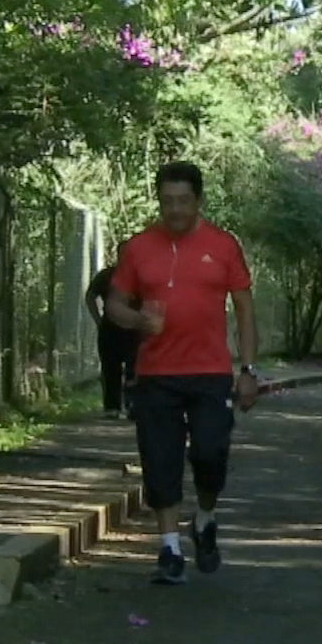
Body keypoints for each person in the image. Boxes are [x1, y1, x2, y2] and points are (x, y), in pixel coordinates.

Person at [102, 161, 262, 585]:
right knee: (160, 462)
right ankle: (169, 548)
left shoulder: (223, 245)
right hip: (156, 374)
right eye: (167, 201)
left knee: (210, 456)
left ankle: (204, 520)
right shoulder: (138, 248)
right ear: (159, 200)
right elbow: (114, 304)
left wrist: (248, 370)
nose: (175, 210)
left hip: (210, 373)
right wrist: (136, 321)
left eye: (183, 201)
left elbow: (244, 308)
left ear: (198, 201)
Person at [85, 265, 140, 419]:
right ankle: (112, 407)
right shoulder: (107, 275)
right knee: (110, 367)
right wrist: (97, 318)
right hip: (110, 328)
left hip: (134, 329)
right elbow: (90, 295)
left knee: (135, 368)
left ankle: (133, 405)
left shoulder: (140, 274)